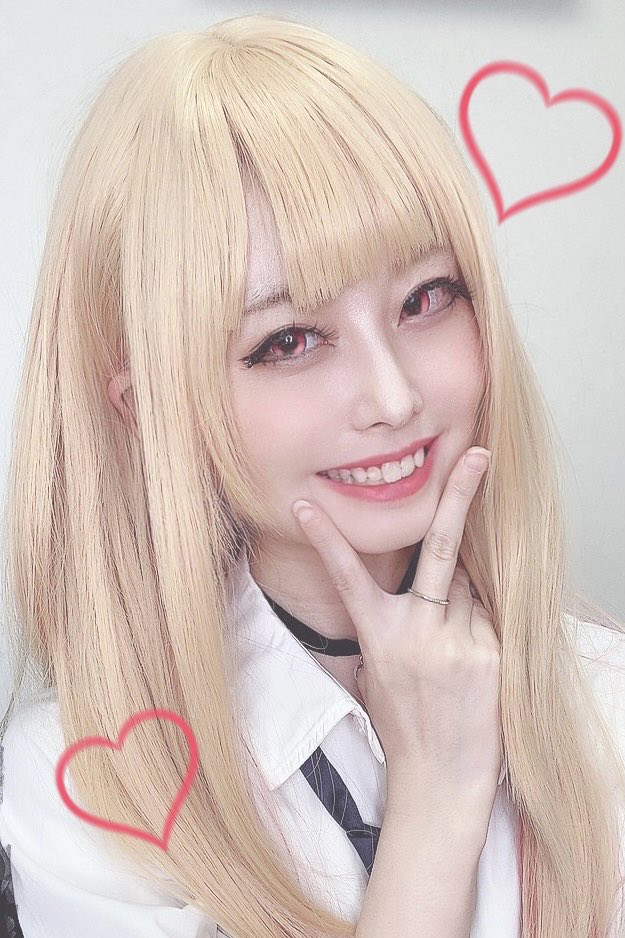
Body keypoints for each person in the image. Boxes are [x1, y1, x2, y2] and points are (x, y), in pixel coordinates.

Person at [1, 12, 624, 938]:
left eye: (427, 297)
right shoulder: (91, 782)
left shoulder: (604, 701)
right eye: (288, 340)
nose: (393, 397)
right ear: (151, 407)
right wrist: (436, 799)